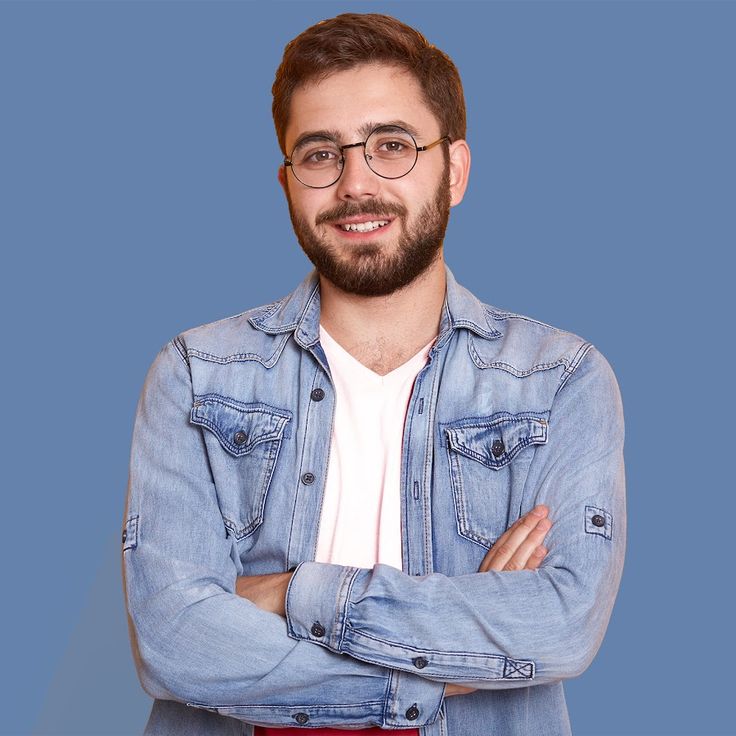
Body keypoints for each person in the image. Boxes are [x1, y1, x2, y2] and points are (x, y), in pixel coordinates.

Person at [122, 12, 625, 736]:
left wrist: (296, 593)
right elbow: (175, 644)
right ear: (287, 181)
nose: (357, 184)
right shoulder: (196, 378)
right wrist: (442, 664)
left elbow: (561, 624)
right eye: (321, 154)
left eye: (393, 145)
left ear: (454, 171)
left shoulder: (559, 381)